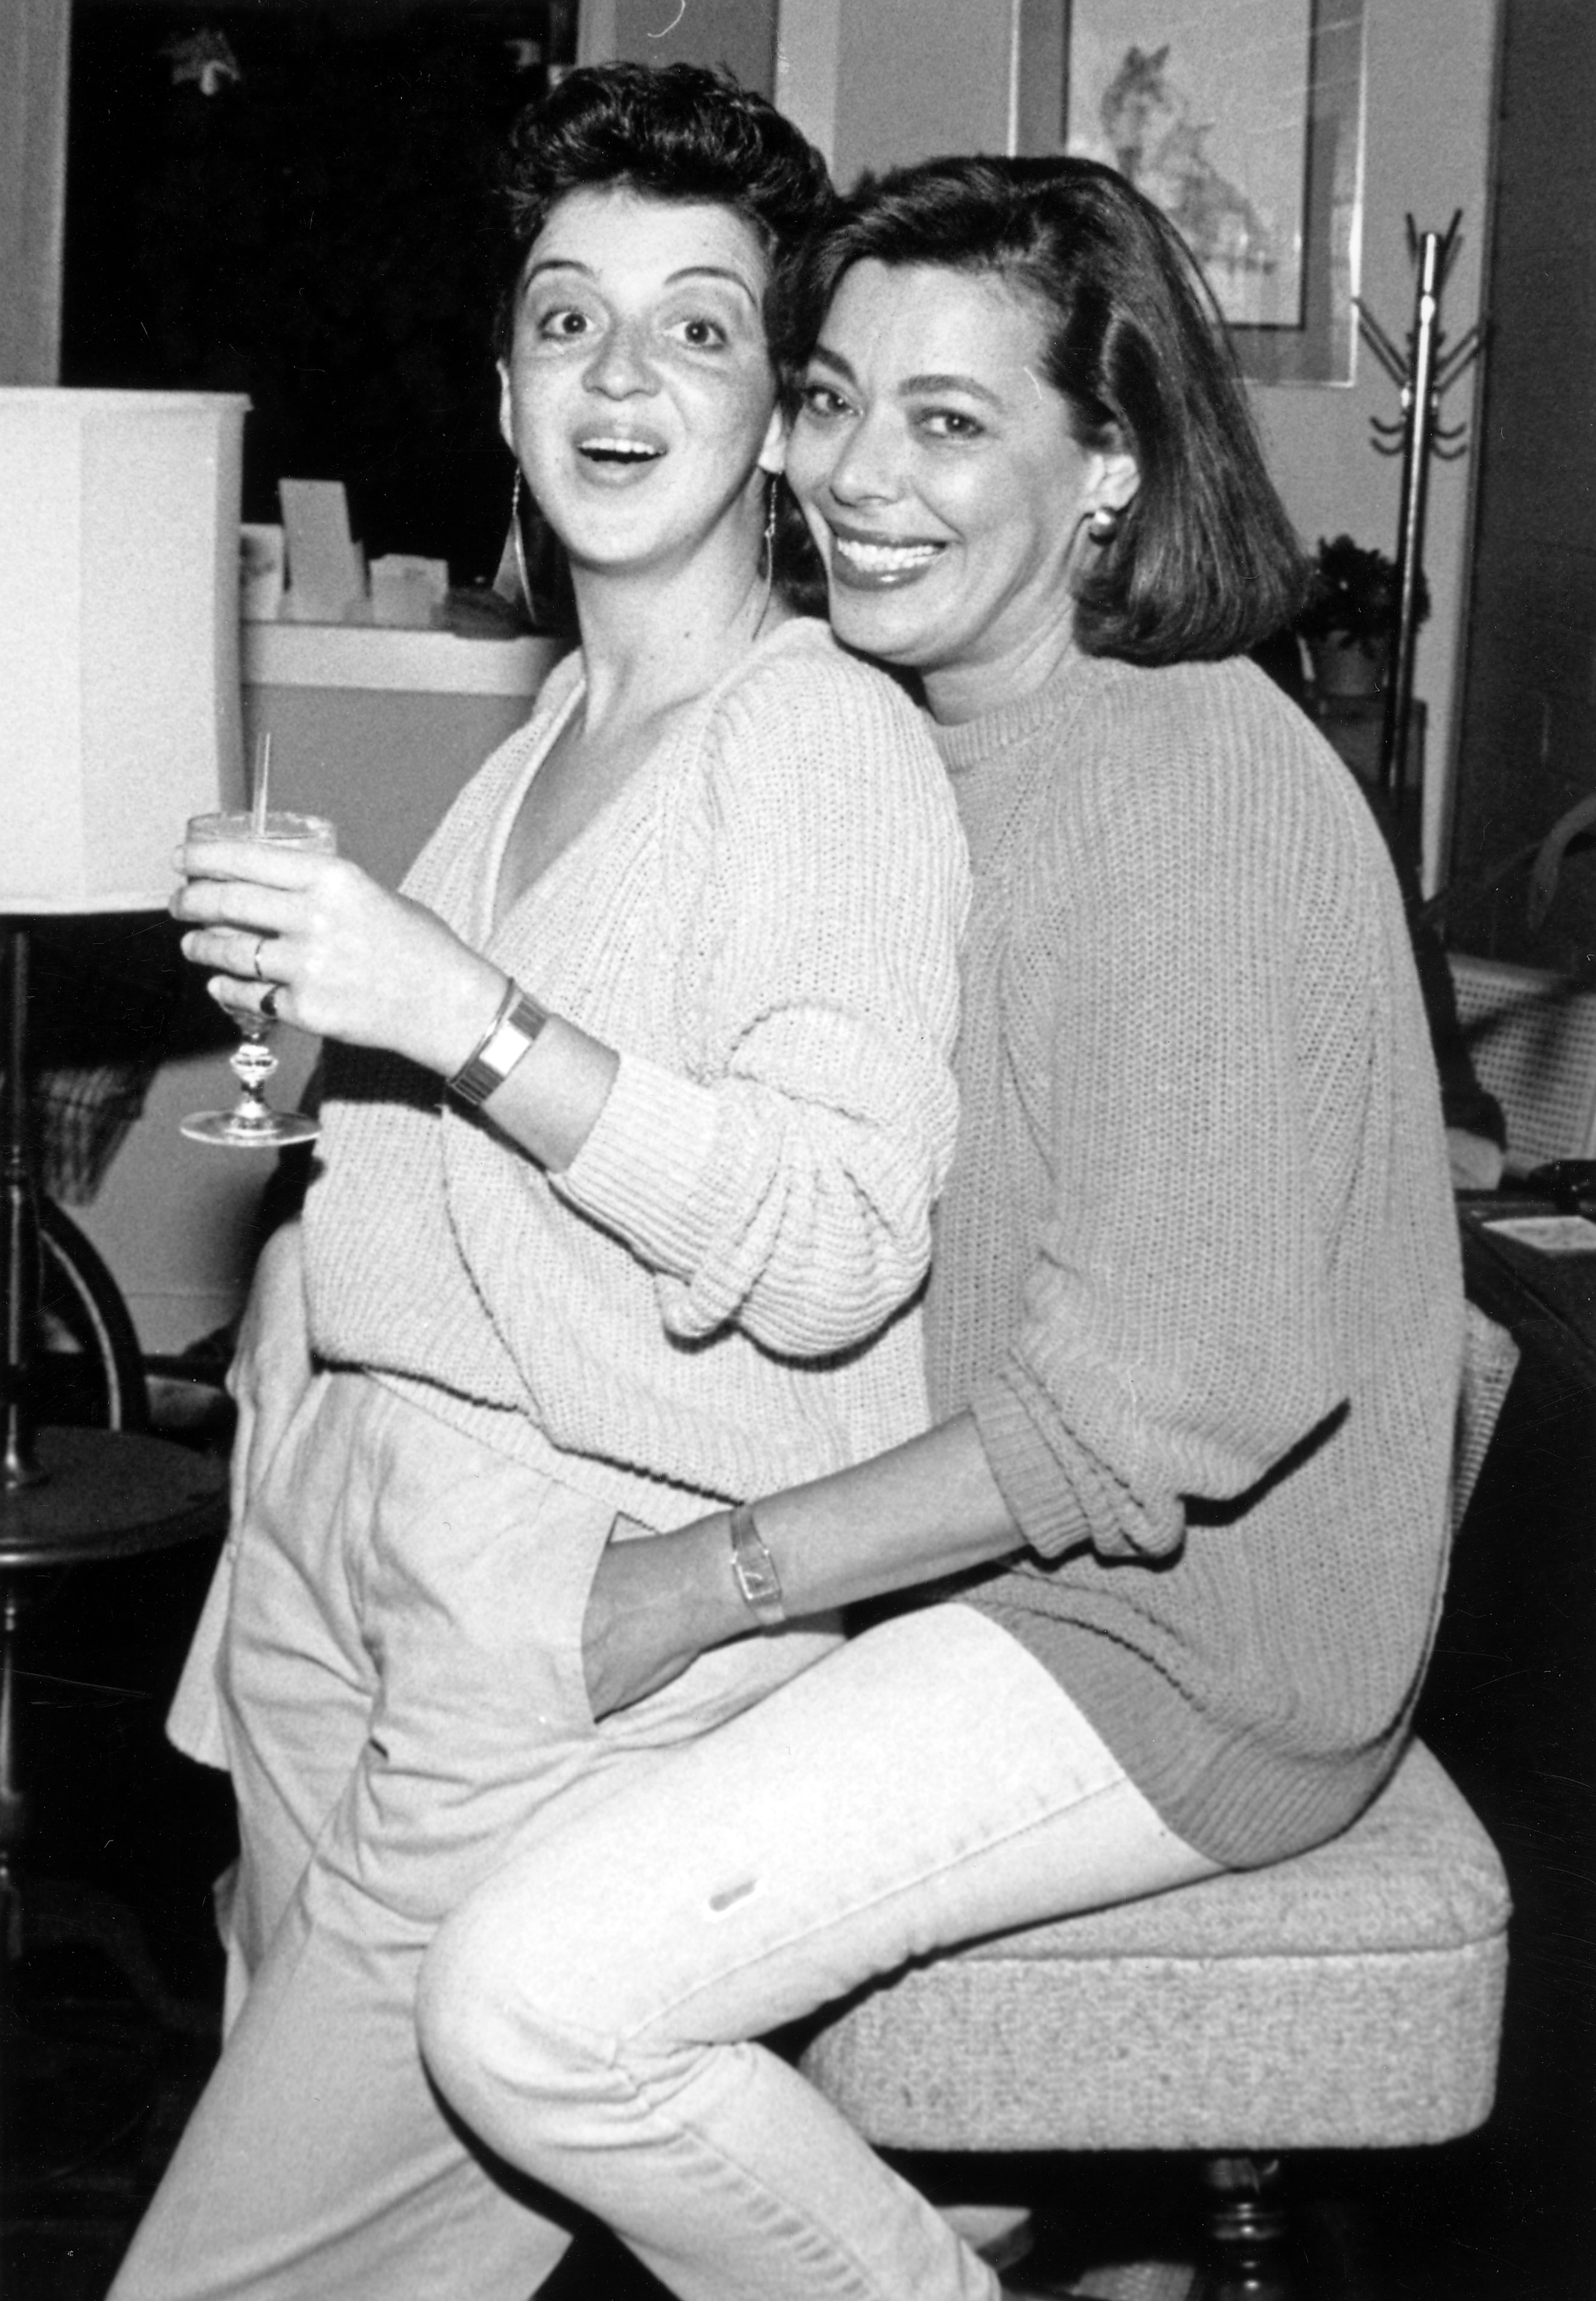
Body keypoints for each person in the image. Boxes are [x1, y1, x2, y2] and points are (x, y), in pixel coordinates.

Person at [412, 156, 1467, 2301]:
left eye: (949, 421)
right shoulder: (902, 728)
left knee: (529, 2004)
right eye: (827, 398)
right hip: (992, 1572)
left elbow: (1161, 1406)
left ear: (1112, 468)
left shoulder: (1184, 785)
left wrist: (691, 1583)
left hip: (1178, 1654)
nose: (852, 477)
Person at [110, 66, 967, 2301]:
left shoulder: (819, 739)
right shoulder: (552, 727)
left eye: (699, 328)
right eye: (568, 319)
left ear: (780, 421)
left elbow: (836, 1240)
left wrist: (459, 1006)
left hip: (554, 1570)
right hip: (346, 1525)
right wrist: (296, 1326)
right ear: (504, 388)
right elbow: (469, 1149)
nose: (618, 375)